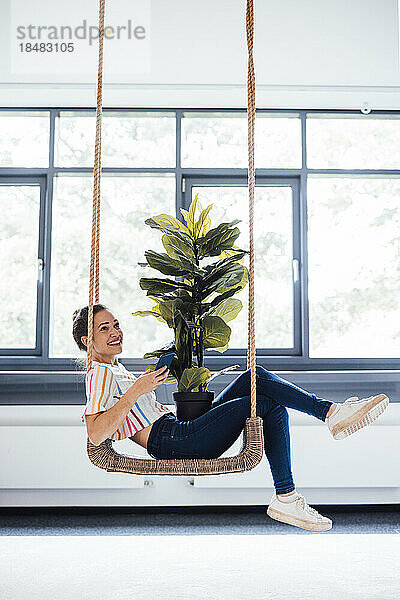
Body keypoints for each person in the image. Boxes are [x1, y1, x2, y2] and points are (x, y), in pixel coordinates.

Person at [73, 304, 389, 532]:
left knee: (256, 380)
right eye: (105, 328)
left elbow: (134, 416)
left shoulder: (114, 369)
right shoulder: (98, 372)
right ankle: (328, 418)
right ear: (88, 342)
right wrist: (138, 389)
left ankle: (291, 490)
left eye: (116, 324)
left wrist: (146, 394)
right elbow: (97, 432)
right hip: (173, 441)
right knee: (260, 396)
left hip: (177, 431)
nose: (115, 332)